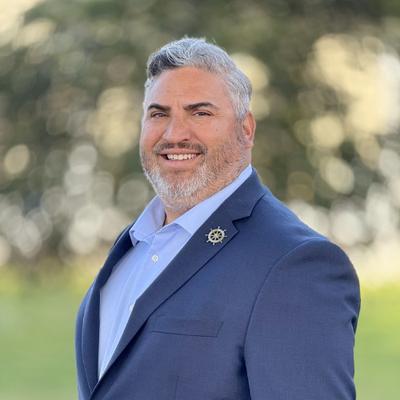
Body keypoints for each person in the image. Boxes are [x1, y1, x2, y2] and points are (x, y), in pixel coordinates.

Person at [75, 37, 360, 400]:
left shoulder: (296, 265)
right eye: (159, 114)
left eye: (200, 113)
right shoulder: (133, 246)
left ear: (246, 129)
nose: (174, 134)